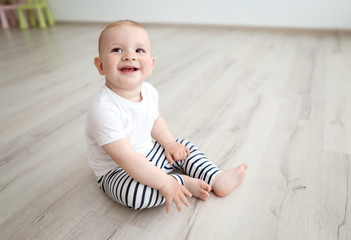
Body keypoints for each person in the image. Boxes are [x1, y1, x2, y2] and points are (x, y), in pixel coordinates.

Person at [86, 20, 248, 213]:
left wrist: (170, 143)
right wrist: (165, 183)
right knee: (136, 195)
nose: (129, 56)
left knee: (183, 148)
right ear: (100, 65)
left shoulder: (148, 91)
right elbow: (125, 158)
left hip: (149, 153)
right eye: (117, 50)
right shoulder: (103, 109)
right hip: (118, 171)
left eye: (139, 50)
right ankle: (182, 182)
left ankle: (215, 177)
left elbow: (154, 121)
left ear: (151, 65)